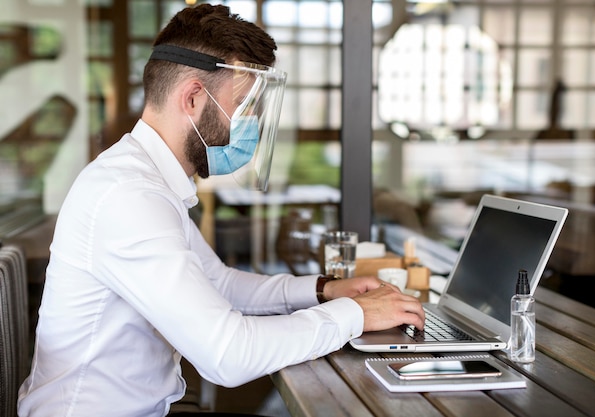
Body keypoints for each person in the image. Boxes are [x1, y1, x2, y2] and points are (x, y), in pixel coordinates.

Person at [17, 4, 424, 416]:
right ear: (193, 97)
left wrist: (323, 291)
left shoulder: (147, 180)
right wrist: (354, 315)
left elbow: (219, 284)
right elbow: (228, 355)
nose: (249, 124)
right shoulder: (129, 195)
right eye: (243, 106)